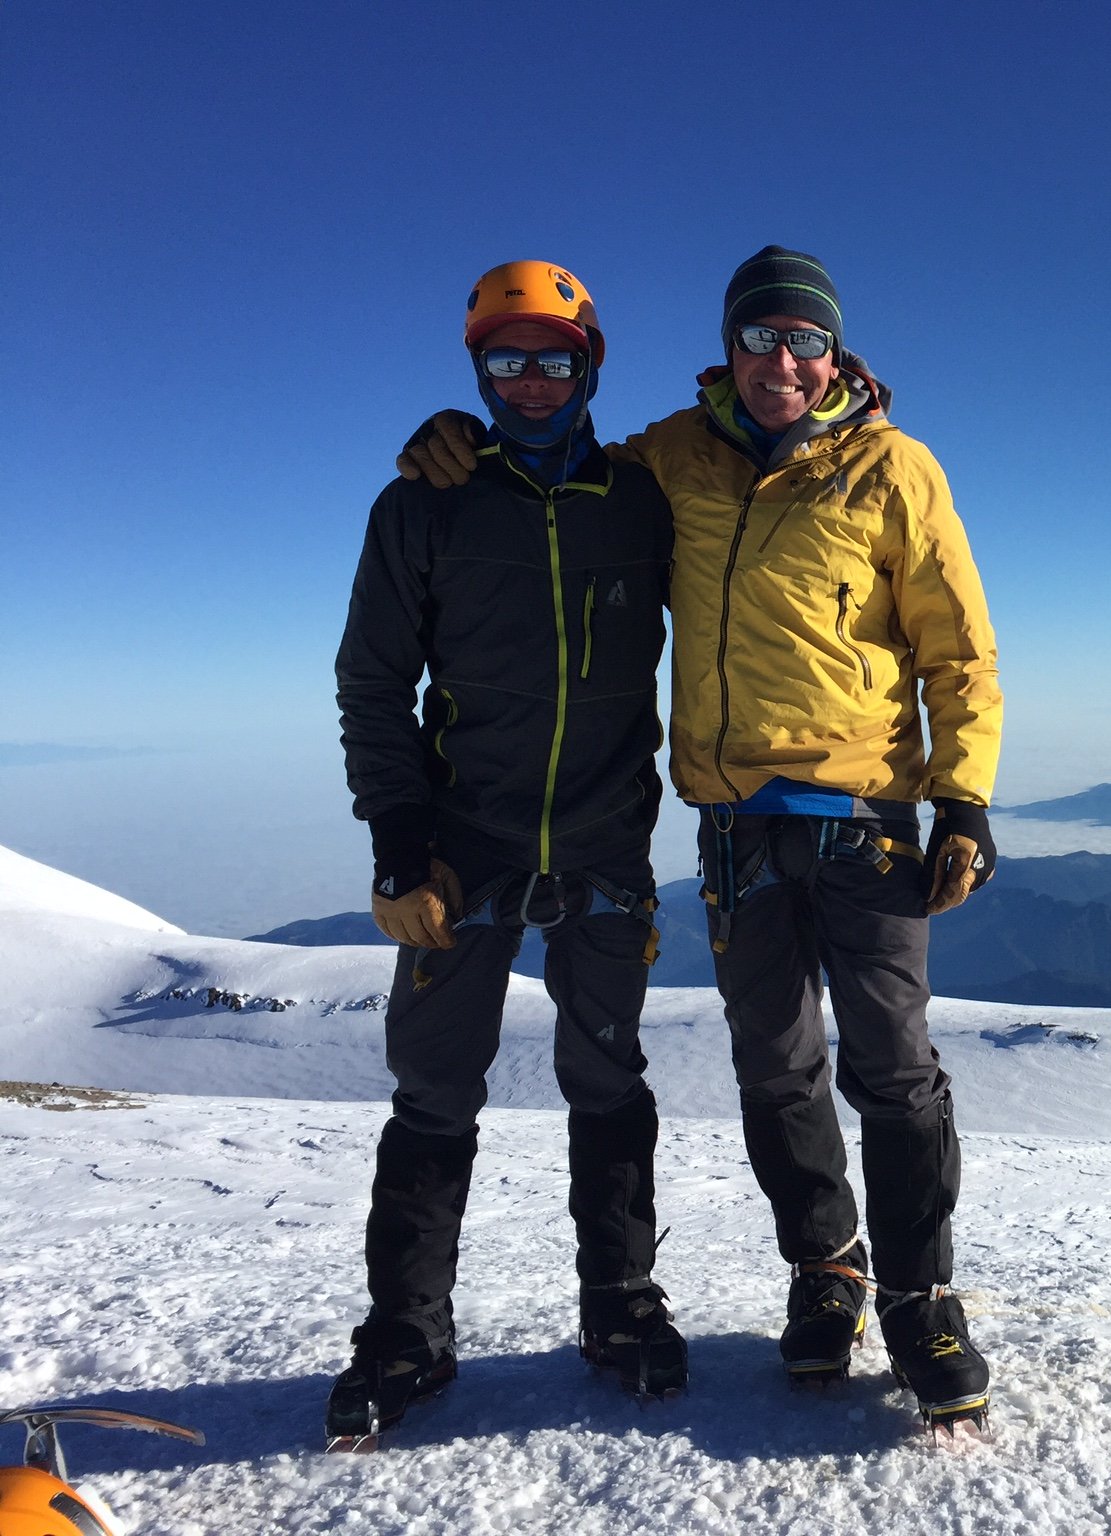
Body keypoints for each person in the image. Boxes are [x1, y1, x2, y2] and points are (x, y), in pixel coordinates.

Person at [399, 245, 1003, 1431]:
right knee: (775, 1066)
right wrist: (459, 443)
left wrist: (964, 799)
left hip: (866, 818)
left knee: (892, 1068)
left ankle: (922, 1298)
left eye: (804, 339)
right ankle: (825, 1275)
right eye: (761, 335)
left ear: (835, 355)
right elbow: (555, 471)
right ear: (728, 346)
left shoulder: (893, 468)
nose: (782, 358)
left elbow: (958, 649)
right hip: (731, 826)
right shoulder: (668, 458)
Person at [329, 261, 685, 1448]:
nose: (530, 381)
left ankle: (621, 1307)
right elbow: (374, 686)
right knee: (433, 1092)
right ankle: (405, 1338)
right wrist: (399, 848)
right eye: (504, 360)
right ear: (475, 370)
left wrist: (855, 398)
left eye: (553, 357)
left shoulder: (643, 498)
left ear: (591, 363)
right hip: (460, 848)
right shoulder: (421, 506)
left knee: (608, 1081)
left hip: (603, 839)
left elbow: (752, 473)